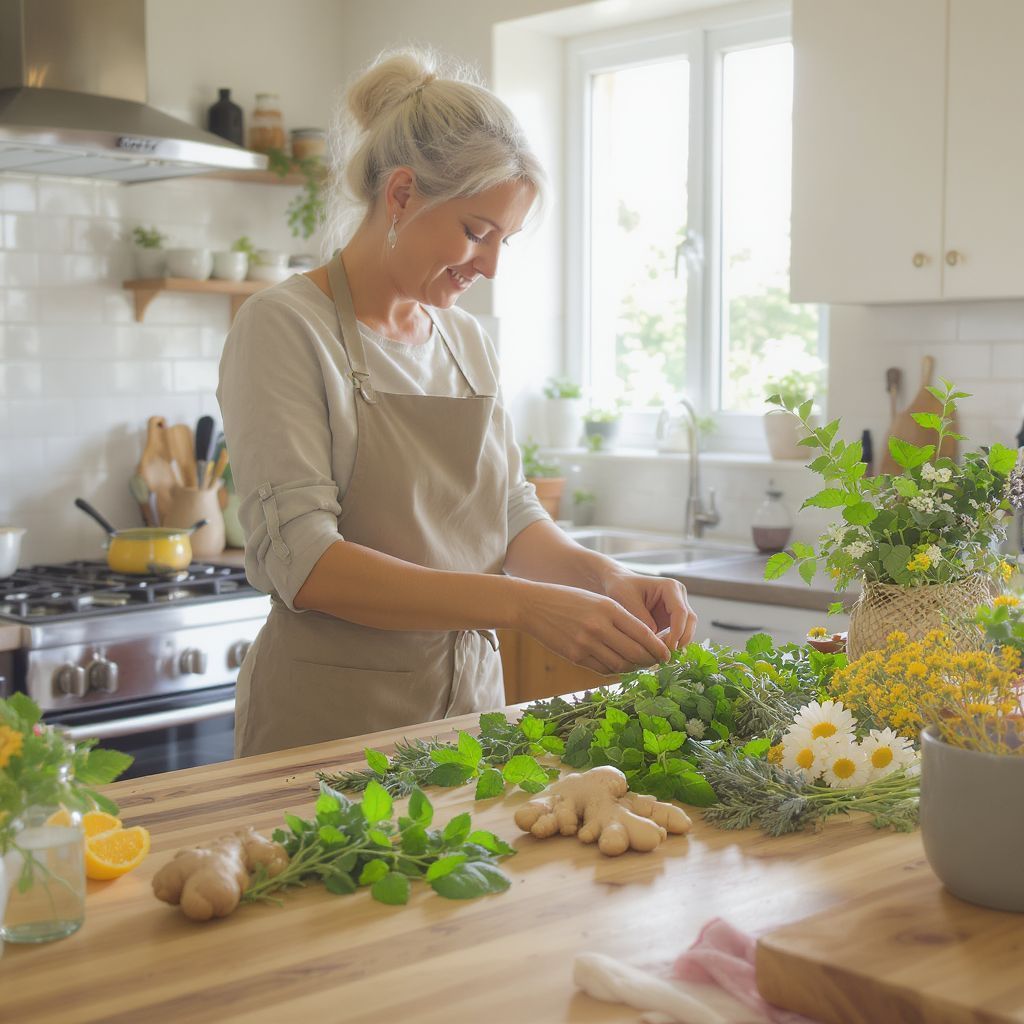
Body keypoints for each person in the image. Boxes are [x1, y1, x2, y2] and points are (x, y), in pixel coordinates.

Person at [218, 49, 697, 757]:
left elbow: (508, 514)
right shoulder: (283, 326)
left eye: (506, 240)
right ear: (403, 194)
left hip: (473, 720)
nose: (492, 265)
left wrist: (608, 578)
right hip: (328, 730)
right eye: (477, 232)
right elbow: (309, 565)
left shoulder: (467, 341)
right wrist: (523, 605)